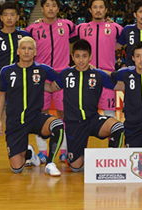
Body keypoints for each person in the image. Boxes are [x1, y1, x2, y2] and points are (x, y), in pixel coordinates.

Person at [46, 40, 124, 172]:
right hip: (74, 125)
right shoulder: (66, 74)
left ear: (90, 57)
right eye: (77, 56)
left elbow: (120, 86)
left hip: (93, 120)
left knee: (117, 127)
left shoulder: (98, 75)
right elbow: (51, 87)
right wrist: (31, 82)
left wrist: (140, 80)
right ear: (72, 57)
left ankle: (111, 161)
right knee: (76, 167)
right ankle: (74, 157)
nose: (81, 60)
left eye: (84, 56)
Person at [0, 37, 64, 176]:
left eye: (30, 48)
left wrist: (52, 87)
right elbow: (1, 94)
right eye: (23, 48)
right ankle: (29, 153)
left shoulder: (42, 69)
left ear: (35, 52)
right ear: (18, 51)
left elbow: (61, 78)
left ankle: (50, 163)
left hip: (35, 118)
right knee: (17, 168)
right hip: (15, 122)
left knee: (57, 125)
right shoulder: (6, 71)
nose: (26, 51)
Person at [25, 0, 76, 163]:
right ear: (42, 9)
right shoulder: (33, 28)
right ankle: (43, 151)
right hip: (41, 77)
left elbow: (85, 33)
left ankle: (63, 149)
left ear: (58, 8)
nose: (51, 8)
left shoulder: (67, 25)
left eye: (54, 5)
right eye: (48, 5)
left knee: (63, 113)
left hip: (61, 77)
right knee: (41, 113)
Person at [0, 1, 30, 170]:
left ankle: (24, 151)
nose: (9, 18)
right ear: (0, 18)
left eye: (13, 15)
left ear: (18, 17)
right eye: (6, 15)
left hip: (19, 83)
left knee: (19, 119)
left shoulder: (24, 36)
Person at [71, 0, 123, 117]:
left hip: (108, 76)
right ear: (90, 10)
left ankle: (112, 136)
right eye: (95, 7)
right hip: (86, 75)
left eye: (101, 7)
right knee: (84, 113)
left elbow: (128, 38)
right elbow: (62, 37)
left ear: (106, 10)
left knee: (110, 114)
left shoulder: (115, 28)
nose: (98, 10)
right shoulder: (81, 28)